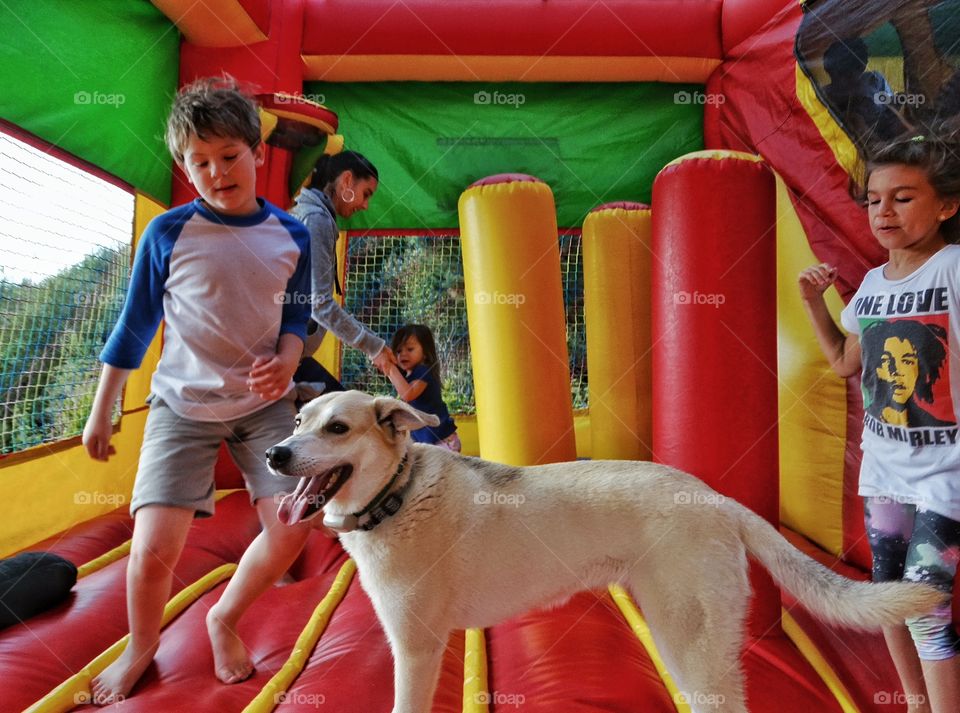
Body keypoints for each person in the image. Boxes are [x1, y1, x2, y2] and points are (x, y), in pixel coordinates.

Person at [81, 76, 314, 704]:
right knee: (154, 543)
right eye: (199, 162)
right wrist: (103, 412)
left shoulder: (291, 235)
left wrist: (288, 359)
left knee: (293, 527)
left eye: (229, 156)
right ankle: (141, 645)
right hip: (181, 406)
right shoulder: (168, 234)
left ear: (257, 153)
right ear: (185, 168)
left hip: (265, 405)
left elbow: (298, 319)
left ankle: (223, 617)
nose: (215, 173)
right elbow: (134, 325)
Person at [798, 130, 960, 712]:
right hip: (885, 469)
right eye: (875, 199)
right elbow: (846, 362)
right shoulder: (870, 285)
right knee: (885, 595)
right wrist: (815, 305)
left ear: (946, 205)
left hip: (946, 471)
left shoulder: (952, 270)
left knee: (923, 604)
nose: (884, 211)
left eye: (904, 197)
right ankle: (914, 702)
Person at [289, 151, 395, 398]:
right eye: (366, 194)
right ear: (347, 181)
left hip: (293, 355)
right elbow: (320, 304)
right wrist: (373, 347)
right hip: (282, 356)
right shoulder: (316, 220)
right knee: (339, 415)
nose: (365, 205)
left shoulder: (312, 213)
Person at [861, 319, 952, 427]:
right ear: (877, 367)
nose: (895, 371)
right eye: (887, 360)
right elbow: (843, 364)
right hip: (873, 441)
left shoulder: (940, 425)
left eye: (907, 361)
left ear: (922, 370)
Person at [386, 324, 460, 451]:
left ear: (425, 352)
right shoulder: (408, 377)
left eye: (410, 349)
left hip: (441, 442)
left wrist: (389, 369)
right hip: (426, 442)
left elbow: (408, 394)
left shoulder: (423, 370)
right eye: (398, 351)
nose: (403, 354)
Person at [823, 37, 905, 144]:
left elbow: (888, 108)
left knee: (918, 130)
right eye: (840, 75)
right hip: (862, 143)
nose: (846, 81)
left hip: (888, 133)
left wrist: (896, 101)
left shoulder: (874, 79)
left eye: (851, 75)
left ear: (862, 67)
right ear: (830, 71)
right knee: (855, 119)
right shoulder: (823, 95)